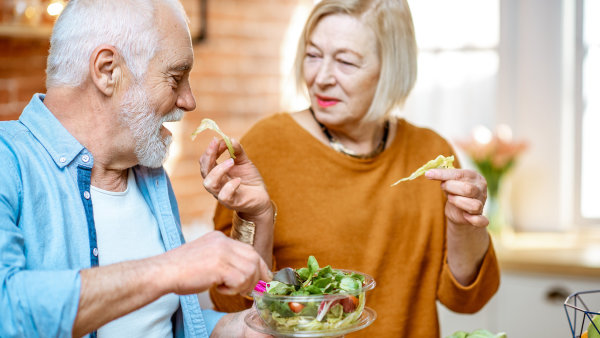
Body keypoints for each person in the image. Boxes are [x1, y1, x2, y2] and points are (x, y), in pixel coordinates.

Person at [201, 0, 500, 336]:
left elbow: (467, 301)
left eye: (345, 61)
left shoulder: (430, 153)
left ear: (391, 67)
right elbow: (233, 308)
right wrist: (258, 220)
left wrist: (465, 228)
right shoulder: (266, 146)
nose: (321, 77)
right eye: (313, 55)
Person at [0, 0, 276, 337]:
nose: (189, 101)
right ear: (107, 71)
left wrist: (237, 329)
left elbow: (160, 325)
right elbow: (7, 309)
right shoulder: (8, 161)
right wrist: (174, 267)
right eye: (176, 78)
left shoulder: (149, 177)